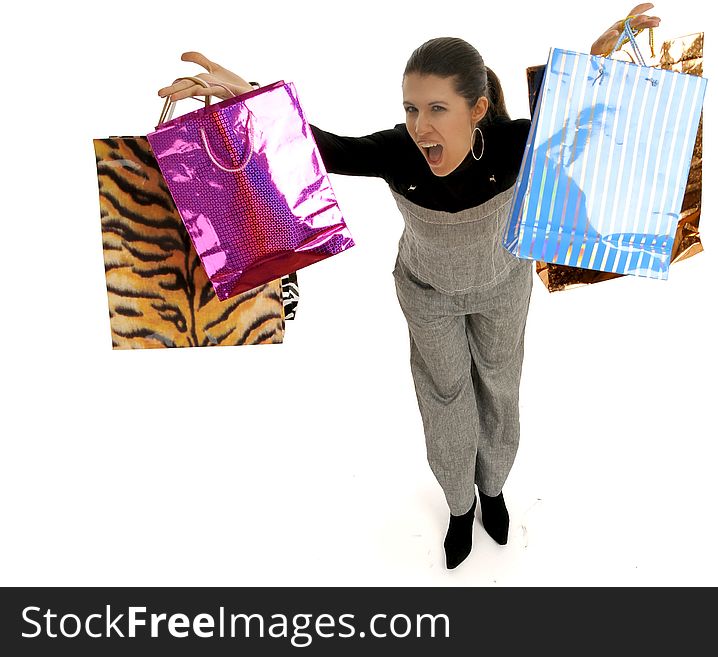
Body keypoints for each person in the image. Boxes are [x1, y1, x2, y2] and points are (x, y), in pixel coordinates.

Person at [159, 4, 662, 569]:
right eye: (411, 108)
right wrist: (246, 95)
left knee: (499, 384)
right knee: (445, 394)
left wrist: (607, 45)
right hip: (427, 292)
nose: (422, 126)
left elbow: (577, 109)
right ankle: (458, 505)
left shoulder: (512, 143)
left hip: (502, 285)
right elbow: (318, 143)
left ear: (477, 110)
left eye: (438, 109)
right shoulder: (399, 150)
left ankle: (493, 488)